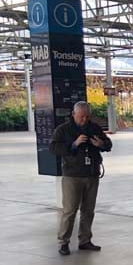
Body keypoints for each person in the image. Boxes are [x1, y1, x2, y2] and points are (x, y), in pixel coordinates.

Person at [49, 102, 113, 255]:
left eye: (87, 116)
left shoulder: (94, 128)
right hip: (73, 175)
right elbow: (53, 148)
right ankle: (63, 242)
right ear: (73, 114)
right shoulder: (63, 129)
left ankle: (85, 240)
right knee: (70, 211)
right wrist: (73, 145)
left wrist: (101, 144)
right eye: (81, 116)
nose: (84, 119)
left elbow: (109, 144)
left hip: (91, 174)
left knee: (88, 210)